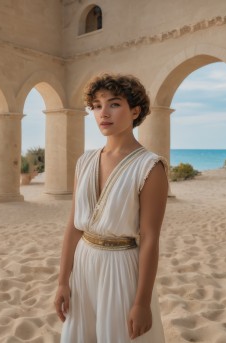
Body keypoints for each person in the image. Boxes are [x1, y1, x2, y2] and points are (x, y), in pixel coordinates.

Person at [54, 73, 167, 342]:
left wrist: (142, 303)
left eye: (114, 104)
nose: (103, 113)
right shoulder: (85, 161)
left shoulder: (150, 167)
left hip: (121, 268)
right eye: (96, 105)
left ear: (135, 110)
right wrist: (62, 281)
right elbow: (73, 226)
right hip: (83, 265)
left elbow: (150, 238)